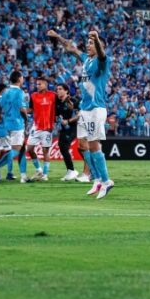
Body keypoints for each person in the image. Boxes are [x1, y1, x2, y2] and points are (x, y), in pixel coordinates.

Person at [48, 29, 114, 199]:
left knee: (93, 145)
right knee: (82, 146)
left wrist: (97, 39)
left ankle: (106, 181)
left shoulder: (102, 62)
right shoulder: (86, 60)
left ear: (100, 46)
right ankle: (97, 179)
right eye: (89, 42)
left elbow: (101, 53)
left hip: (95, 109)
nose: (88, 44)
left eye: (91, 43)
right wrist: (57, 37)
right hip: (84, 109)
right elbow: (71, 48)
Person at [0, 71, 29, 182]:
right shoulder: (20, 92)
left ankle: (23, 176)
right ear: (19, 79)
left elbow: (1, 108)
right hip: (17, 124)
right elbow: (22, 109)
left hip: (6, 124)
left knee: (21, 150)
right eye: (22, 78)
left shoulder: (5, 92)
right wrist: (26, 120)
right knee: (16, 150)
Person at [26, 76, 57, 181]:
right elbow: (30, 109)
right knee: (29, 149)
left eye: (40, 84)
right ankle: (38, 169)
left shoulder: (53, 96)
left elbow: (59, 107)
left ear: (45, 84)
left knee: (45, 151)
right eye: (37, 84)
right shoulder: (33, 95)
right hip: (36, 126)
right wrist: (22, 110)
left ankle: (45, 174)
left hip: (47, 128)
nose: (37, 86)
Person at [55, 83, 80, 182]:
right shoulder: (58, 102)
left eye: (60, 89)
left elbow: (79, 114)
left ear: (66, 91)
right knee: (62, 146)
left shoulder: (73, 101)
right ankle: (70, 170)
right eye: (57, 89)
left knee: (64, 146)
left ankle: (72, 171)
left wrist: (69, 121)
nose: (58, 91)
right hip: (63, 128)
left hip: (73, 127)